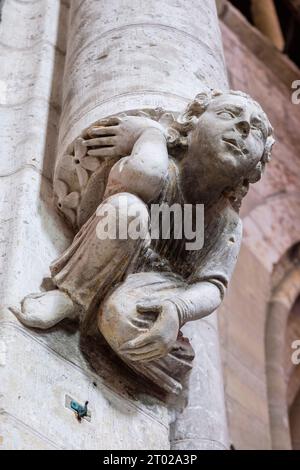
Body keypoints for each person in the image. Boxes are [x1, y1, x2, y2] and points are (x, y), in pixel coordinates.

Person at [12, 90, 274, 393]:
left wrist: (178, 310)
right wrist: (151, 134)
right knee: (127, 210)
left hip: (158, 288)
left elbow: (213, 286)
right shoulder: (163, 168)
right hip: (116, 251)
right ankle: (73, 297)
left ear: (256, 166)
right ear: (190, 124)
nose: (243, 128)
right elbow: (140, 175)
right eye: (229, 115)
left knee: (120, 319)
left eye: (255, 130)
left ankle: (159, 363)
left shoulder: (227, 222)